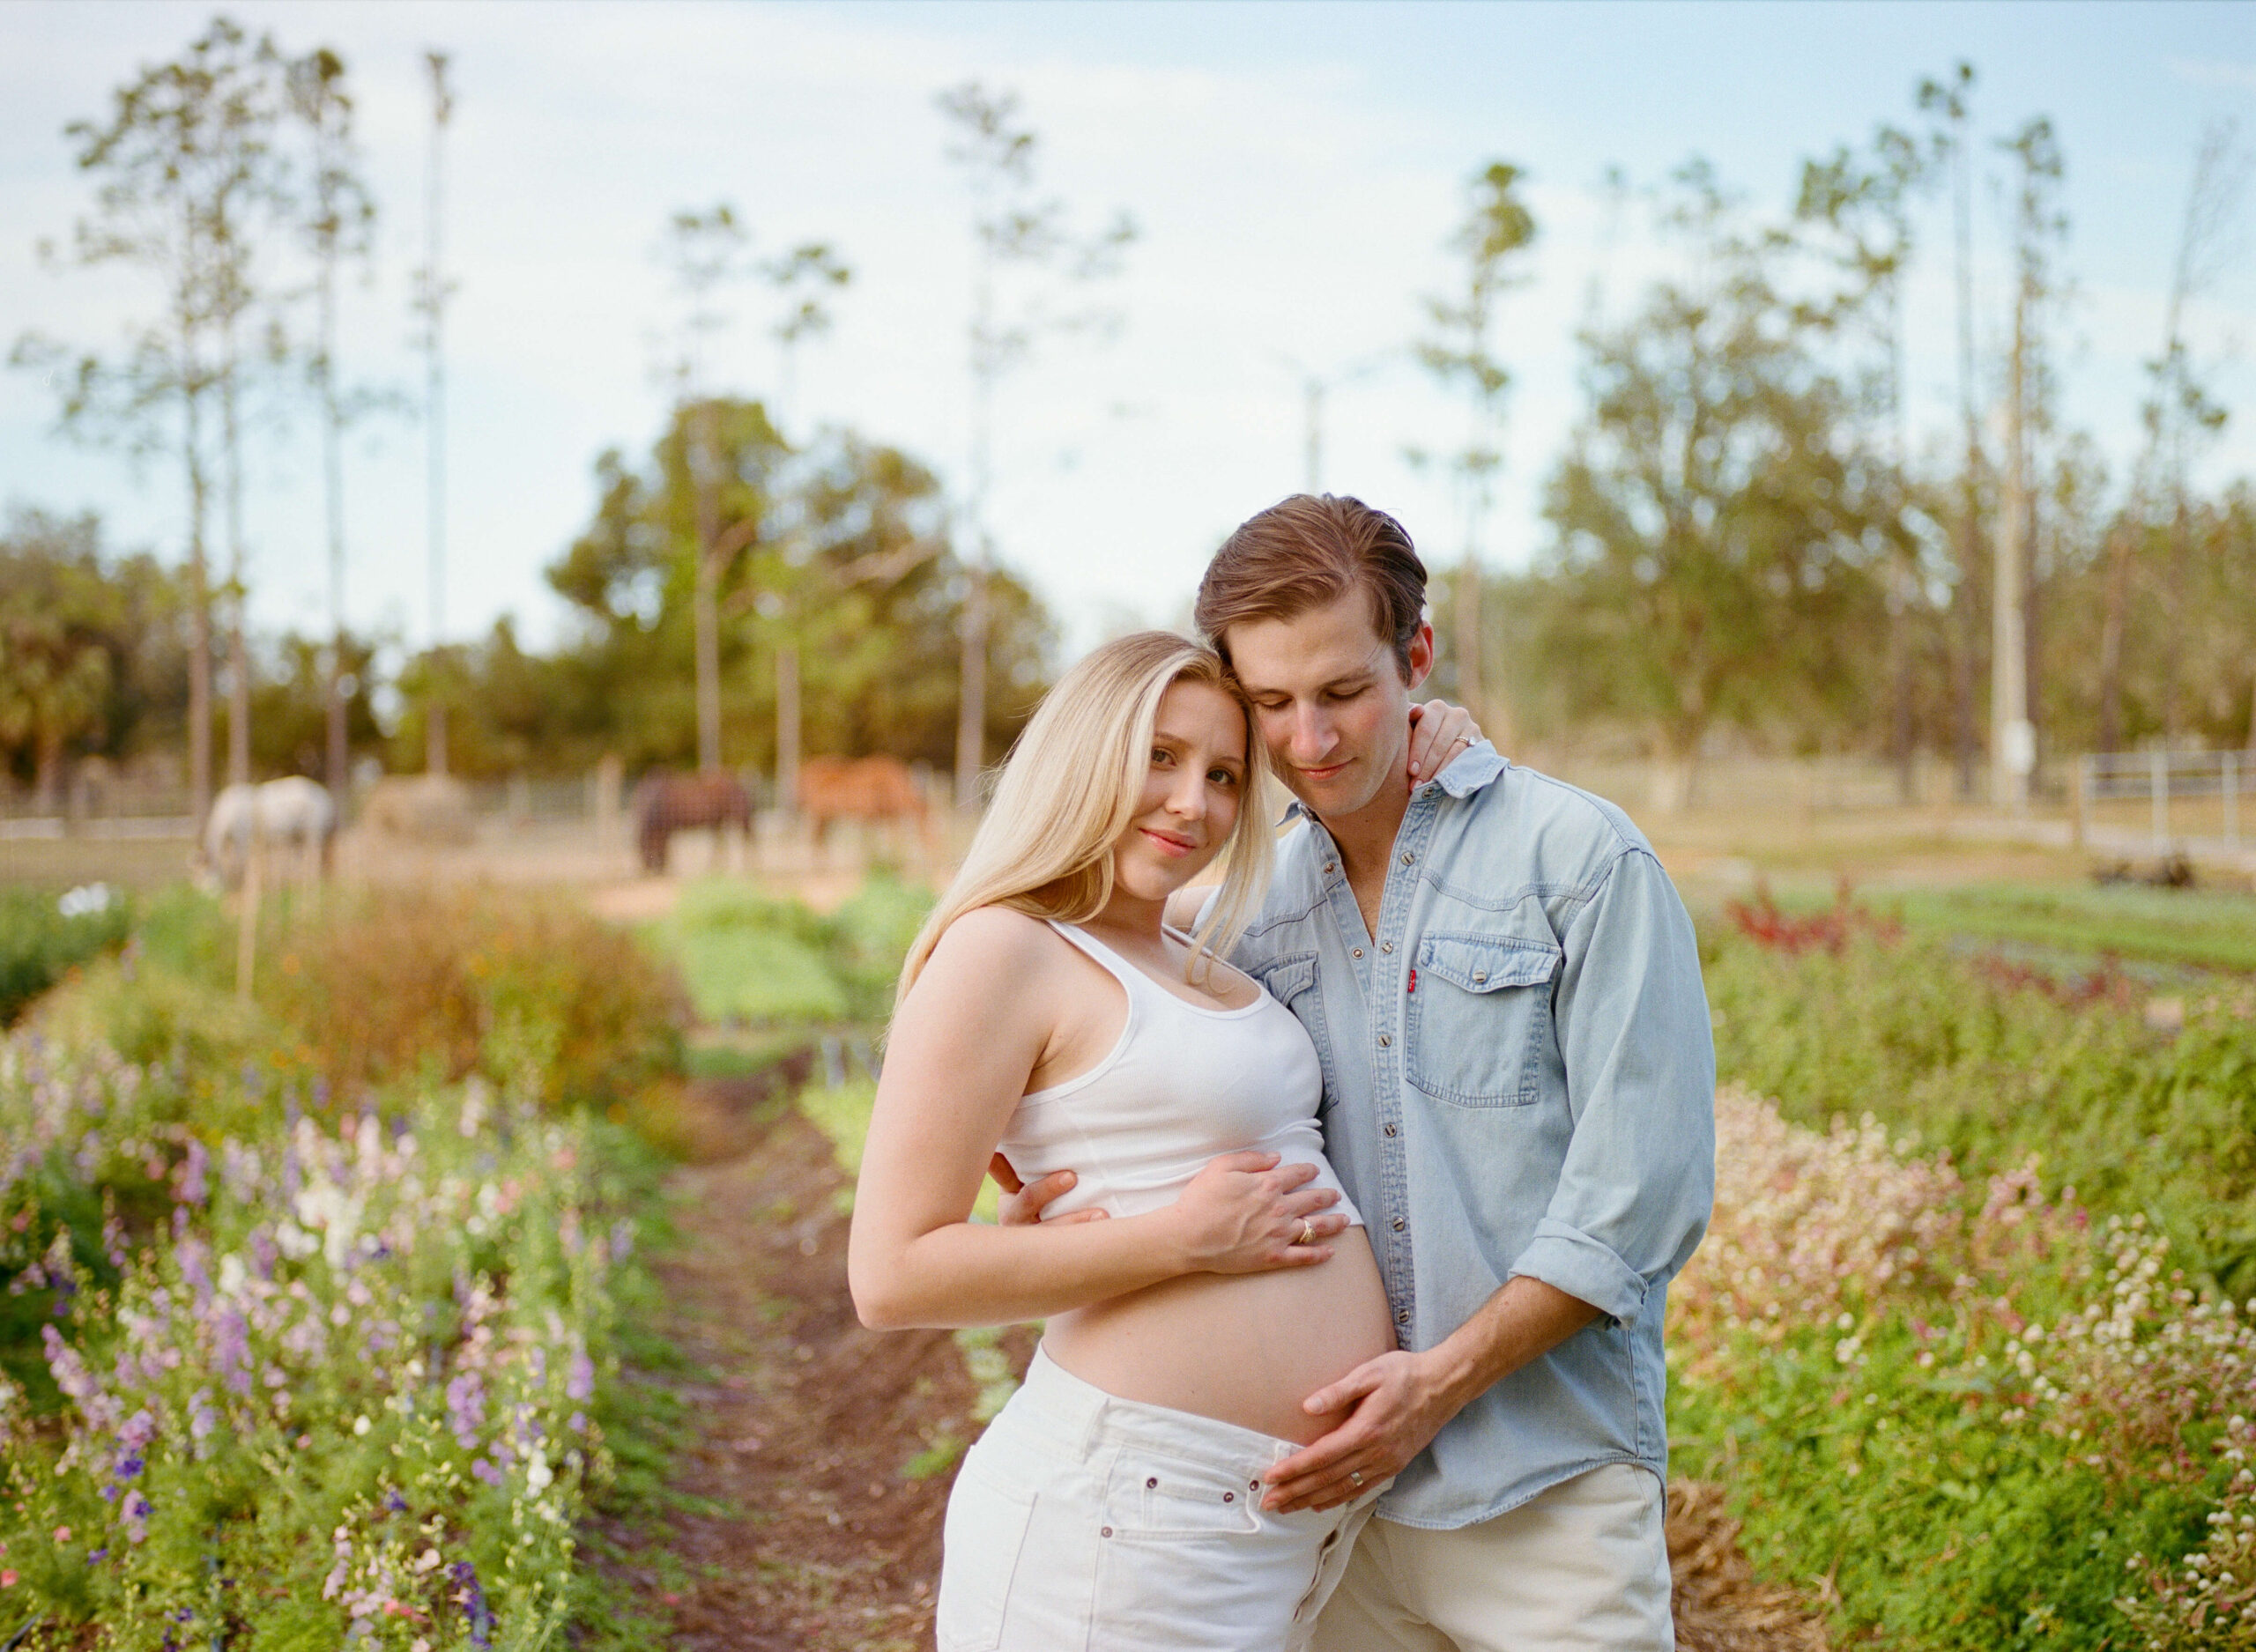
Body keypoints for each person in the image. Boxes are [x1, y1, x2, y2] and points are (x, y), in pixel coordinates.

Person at [1155, 493, 1715, 1650]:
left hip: (1549, 1499)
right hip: (1327, 1521)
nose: (1310, 740)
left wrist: (1435, 1385)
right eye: (1271, 703)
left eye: (1346, 691)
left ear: (1416, 654)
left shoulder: (1579, 861)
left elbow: (1637, 1199)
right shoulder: (1239, 917)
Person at [847, 630, 1479, 1652]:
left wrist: (1424, 736)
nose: (1196, 802)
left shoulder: (1180, 938)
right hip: (1119, 1527)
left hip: (1269, 1536)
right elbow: (890, 1276)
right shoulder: (1001, 949)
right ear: (1083, 754)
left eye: (1226, 774)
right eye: (1159, 757)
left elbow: (1335, 864)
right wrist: (1183, 1239)